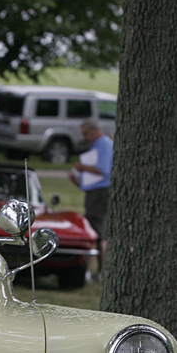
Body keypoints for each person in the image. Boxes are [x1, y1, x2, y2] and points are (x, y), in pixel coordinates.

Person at [69, 117, 113, 279]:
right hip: (95, 192)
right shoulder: (98, 145)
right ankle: (95, 271)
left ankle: (101, 271)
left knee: (97, 231)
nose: (85, 137)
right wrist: (78, 180)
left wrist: (81, 167)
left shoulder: (104, 145)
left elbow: (103, 170)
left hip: (100, 194)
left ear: (95, 130)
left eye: (86, 133)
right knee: (94, 230)